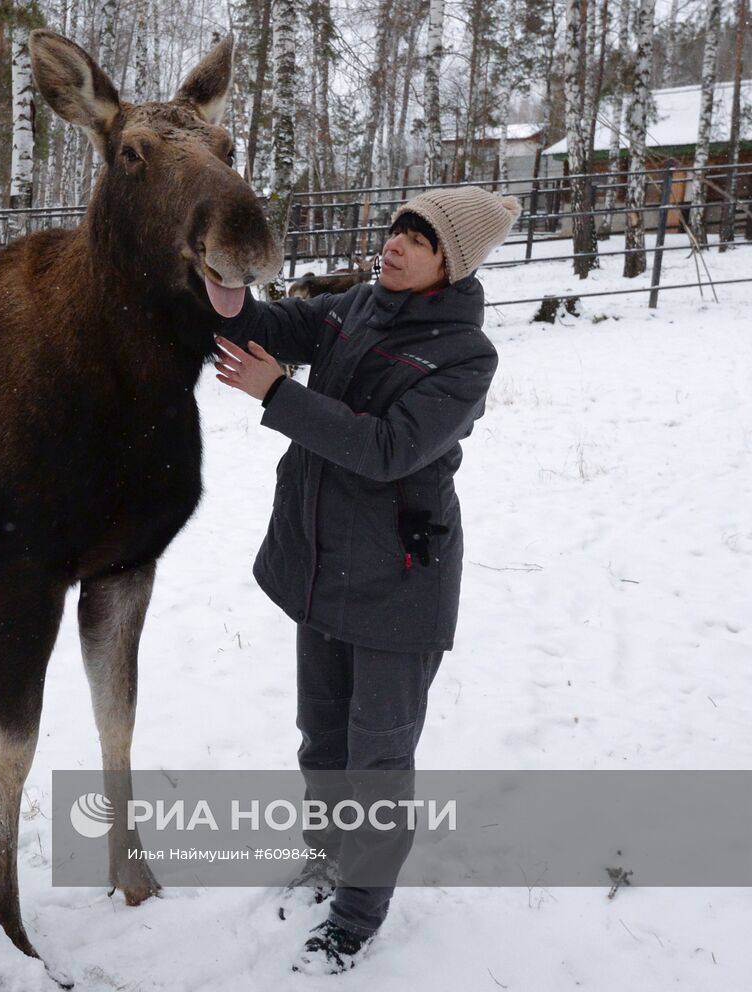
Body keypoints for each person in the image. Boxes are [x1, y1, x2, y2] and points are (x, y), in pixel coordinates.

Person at [212, 186, 520, 974]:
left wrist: (278, 393)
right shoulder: (358, 305)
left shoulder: (464, 356)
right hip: (321, 564)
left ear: (451, 264)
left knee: (376, 759)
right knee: (322, 742)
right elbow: (271, 324)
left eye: (419, 238)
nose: (397, 244)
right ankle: (327, 859)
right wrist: (226, 285)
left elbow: (387, 450)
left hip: (397, 582)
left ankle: (357, 916)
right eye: (398, 228)